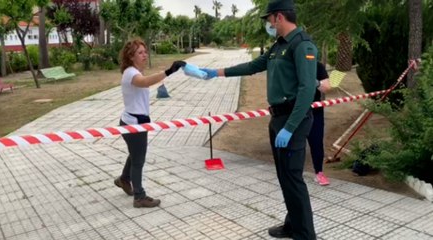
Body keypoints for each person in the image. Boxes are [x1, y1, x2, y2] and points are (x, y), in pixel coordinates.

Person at [200, 0, 317, 238]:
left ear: (279, 18)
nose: (268, 24)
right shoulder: (278, 46)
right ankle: (292, 223)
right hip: (278, 119)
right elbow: (252, 66)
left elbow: (306, 91)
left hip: (293, 119)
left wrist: (291, 127)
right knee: (284, 177)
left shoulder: (302, 45)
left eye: (269, 19)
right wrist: (216, 73)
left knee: (293, 178)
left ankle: (305, 235)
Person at [114, 38, 186, 208]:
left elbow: (143, 82)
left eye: (145, 51)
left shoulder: (134, 71)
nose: (145, 55)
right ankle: (139, 197)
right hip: (133, 123)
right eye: (140, 52)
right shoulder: (131, 73)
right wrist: (168, 72)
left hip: (136, 121)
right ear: (131, 56)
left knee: (135, 154)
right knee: (139, 160)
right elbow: (144, 82)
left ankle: (124, 179)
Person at [309, 62, 331, 186]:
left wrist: (315, 81)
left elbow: (326, 87)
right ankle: (292, 173)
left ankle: (319, 172)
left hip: (315, 111)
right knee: (294, 143)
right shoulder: (290, 64)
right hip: (293, 110)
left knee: (316, 141)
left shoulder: (317, 66)